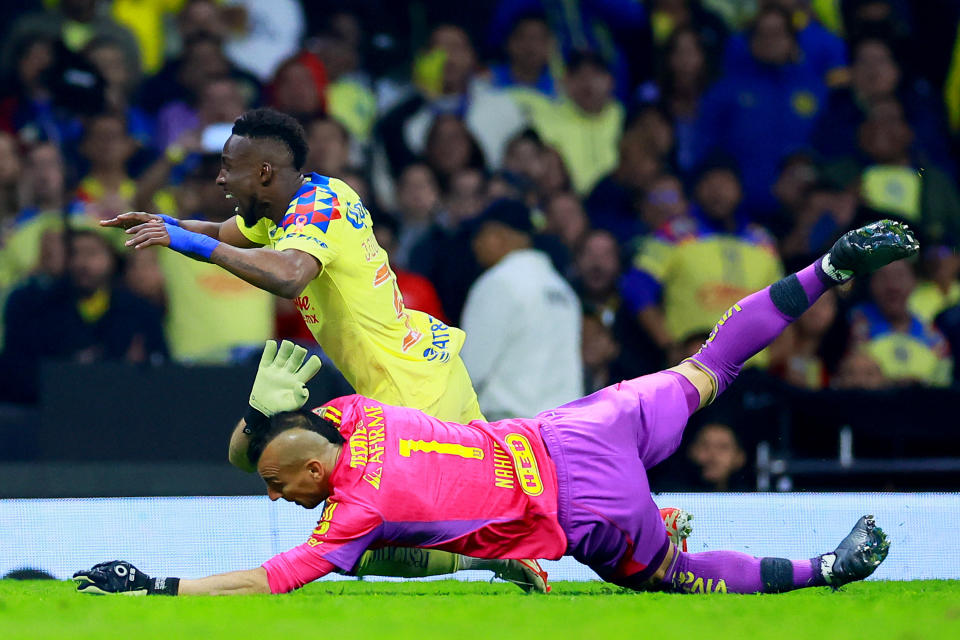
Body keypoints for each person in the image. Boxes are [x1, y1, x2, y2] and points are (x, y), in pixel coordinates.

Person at [72, 219, 912, 597]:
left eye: (279, 484)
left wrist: (157, 586)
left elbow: (265, 578)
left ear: (313, 468)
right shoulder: (358, 417)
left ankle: (825, 574)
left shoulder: (355, 513)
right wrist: (267, 424)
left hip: (579, 503)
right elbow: (302, 441)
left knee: (671, 576)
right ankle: (827, 270)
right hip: (576, 429)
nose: (274, 496)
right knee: (707, 367)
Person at [100, 107, 483, 426]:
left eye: (229, 168)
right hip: (427, 368)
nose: (220, 179)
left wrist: (192, 242)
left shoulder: (317, 208)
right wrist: (170, 225)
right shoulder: (289, 205)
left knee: (417, 516)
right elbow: (221, 231)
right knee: (488, 509)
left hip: (411, 392)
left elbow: (290, 276)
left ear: (263, 173)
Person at [460, 199, 583, 419]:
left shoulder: (498, 282)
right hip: (564, 428)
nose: (475, 244)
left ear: (499, 236)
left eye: (480, 235)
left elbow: (471, 370)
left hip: (512, 428)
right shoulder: (563, 289)